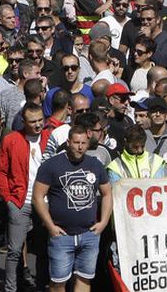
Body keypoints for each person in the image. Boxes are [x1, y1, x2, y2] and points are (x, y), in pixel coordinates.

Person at [33, 125, 112, 292]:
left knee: (84, 279)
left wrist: (103, 222)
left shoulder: (95, 165)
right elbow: (37, 197)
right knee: (58, 282)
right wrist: (50, 226)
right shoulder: (51, 165)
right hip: (62, 235)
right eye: (76, 142)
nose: (80, 147)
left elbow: (107, 193)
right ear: (68, 142)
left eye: (84, 143)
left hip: (89, 234)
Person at [0, 104, 52, 292]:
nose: (37, 125)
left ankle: (43, 286)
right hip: (20, 201)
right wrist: (8, 200)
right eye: (32, 121)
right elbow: (1, 171)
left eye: (40, 120)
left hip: (45, 201)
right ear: (23, 121)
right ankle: (11, 289)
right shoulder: (11, 139)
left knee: (44, 248)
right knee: (14, 251)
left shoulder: (50, 138)